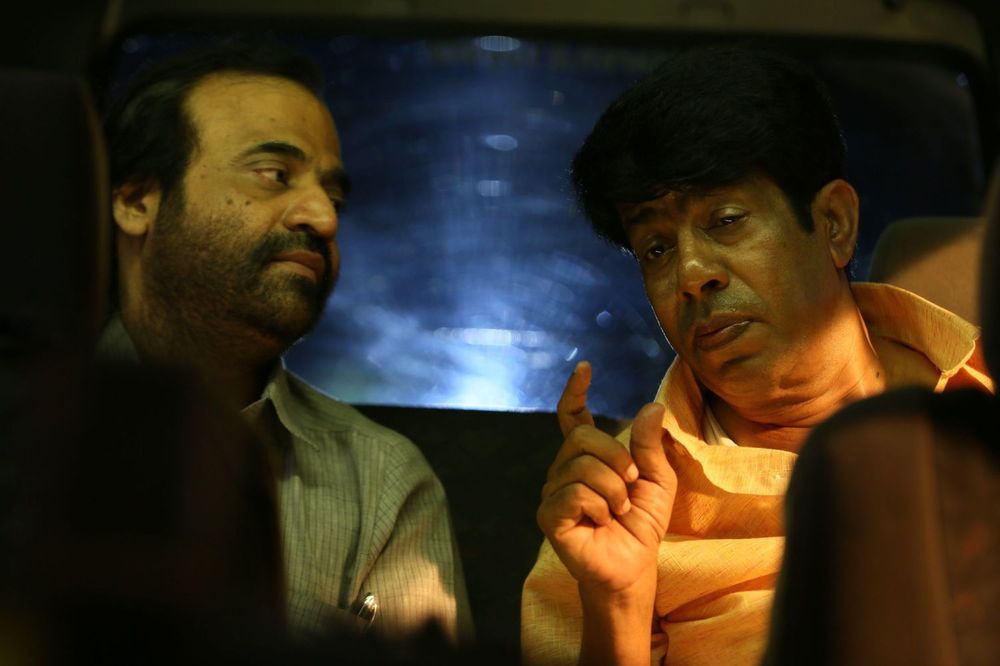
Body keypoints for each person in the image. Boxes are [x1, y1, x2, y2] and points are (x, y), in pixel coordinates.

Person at [521, 44, 993, 666]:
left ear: (833, 224)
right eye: (657, 249)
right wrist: (619, 605)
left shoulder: (983, 390)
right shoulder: (616, 503)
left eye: (725, 220)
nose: (692, 274)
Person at [99, 40, 473, 645]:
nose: (323, 218)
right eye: (275, 175)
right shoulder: (26, 424)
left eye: (335, 197)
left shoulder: (380, 480)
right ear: (136, 199)